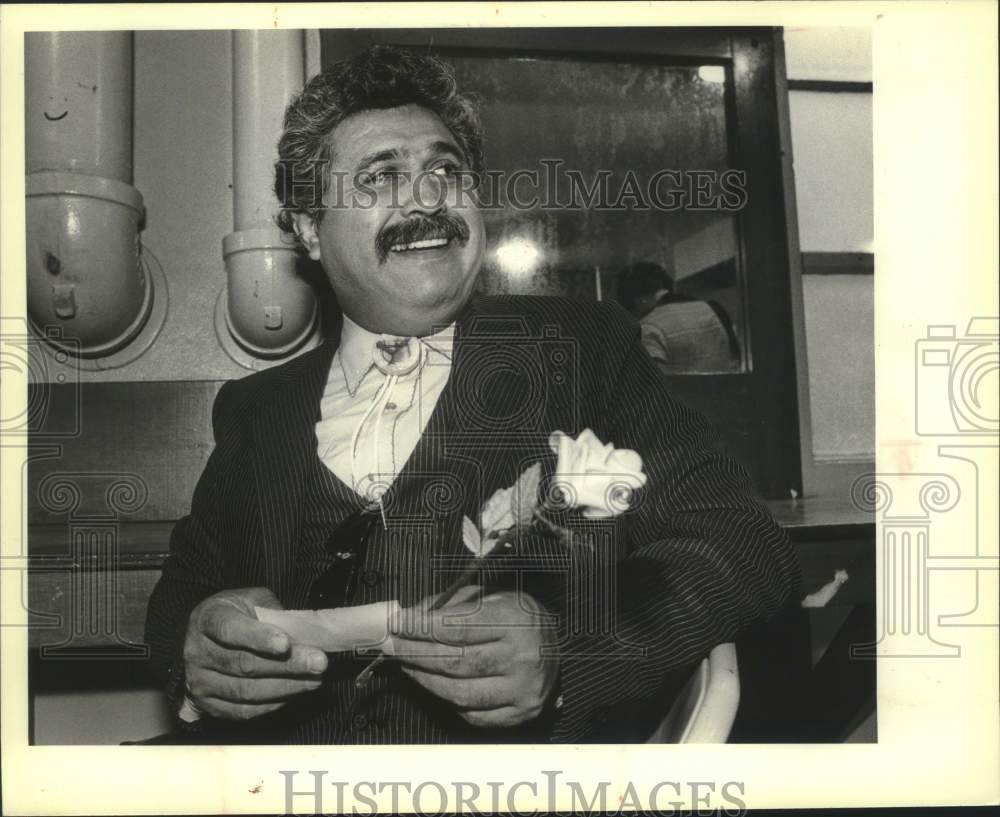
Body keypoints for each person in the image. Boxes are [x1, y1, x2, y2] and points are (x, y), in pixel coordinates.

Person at [144, 45, 798, 744]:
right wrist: (198, 643)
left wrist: (565, 647)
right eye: (380, 177)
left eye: (445, 170)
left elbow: (743, 543)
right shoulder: (255, 409)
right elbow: (187, 585)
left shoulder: (585, 351)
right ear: (308, 227)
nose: (427, 200)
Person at [617, 260, 742, 374]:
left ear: (640, 300)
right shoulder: (714, 308)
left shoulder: (646, 328)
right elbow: (737, 360)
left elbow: (654, 384)